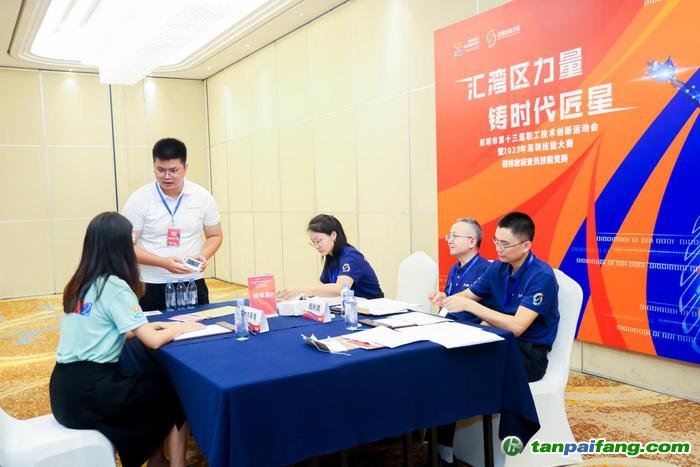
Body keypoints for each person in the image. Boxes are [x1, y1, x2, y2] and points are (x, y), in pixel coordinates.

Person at [49, 212, 204, 467]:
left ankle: (157, 460)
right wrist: (181, 327)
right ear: (121, 248)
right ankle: (176, 464)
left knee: (148, 383)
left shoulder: (79, 283)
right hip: (93, 394)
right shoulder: (114, 286)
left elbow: (103, 330)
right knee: (173, 389)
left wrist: (151, 325)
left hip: (63, 394)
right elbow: (153, 342)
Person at [434, 212, 560, 465]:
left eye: (505, 244)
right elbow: (469, 295)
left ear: (526, 245)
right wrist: (446, 299)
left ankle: (460, 445)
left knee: (459, 369)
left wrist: (473, 308)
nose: (499, 249)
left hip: (527, 355)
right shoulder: (498, 268)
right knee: (446, 361)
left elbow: (517, 327)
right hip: (500, 344)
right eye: (496, 242)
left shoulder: (541, 276)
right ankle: (442, 442)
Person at [122, 138, 223, 311]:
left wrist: (204, 255)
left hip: (192, 281)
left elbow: (215, 235)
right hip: (150, 284)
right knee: (153, 327)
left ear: (185, 168)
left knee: (199, 326)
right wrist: (163, 262)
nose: (167, 176)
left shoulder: (202, 196)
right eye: (161, 170)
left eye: (173, 170)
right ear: (154, 167)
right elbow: (126, 246)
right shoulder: (139, 199)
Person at [278, 214, 384, 300]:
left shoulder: (350, 256)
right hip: (352, 308)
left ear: (333, 235)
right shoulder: (331, 256)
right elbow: (322, 286)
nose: (316, 246)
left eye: (318, 241)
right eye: (313, 242)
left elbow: (340, 289)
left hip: (373, 309)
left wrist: (299, 290)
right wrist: (301, 296)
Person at [428, 217, 489, 323]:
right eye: (449, 236)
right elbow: (449, 300)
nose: (449, 241)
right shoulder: (454, 268)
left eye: (455, 236)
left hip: (469, 328)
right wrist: (442, 299)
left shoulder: (487, 269)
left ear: (472, 242)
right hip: (445, 323)